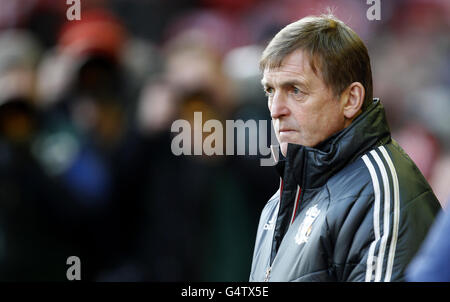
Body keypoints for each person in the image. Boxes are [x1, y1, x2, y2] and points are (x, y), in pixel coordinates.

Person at [249, 14, 441, 282]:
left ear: (350, 99)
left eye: (295, 90)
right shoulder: (279, 201)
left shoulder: (381, 194)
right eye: (270, 91)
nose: (276, 110)